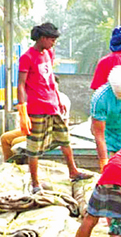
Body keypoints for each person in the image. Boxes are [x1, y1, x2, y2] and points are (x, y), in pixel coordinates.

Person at [17, 22, 91, 192]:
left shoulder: (49, 53)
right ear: (42, 38)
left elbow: (50, 79)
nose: (53, 43)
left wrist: (58, 98)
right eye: (51, 40)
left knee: (65, 139)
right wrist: (23, 111)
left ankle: (73, 171)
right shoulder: (27, 57)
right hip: (37, 108)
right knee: (34, 147)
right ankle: (35, 183)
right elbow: (21, 85)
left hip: (53, 106)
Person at [1, 76, 71, 162]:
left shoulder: (62, 99)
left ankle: (18, 164)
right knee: (5, 138)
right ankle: (7, 164)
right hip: (33, 127)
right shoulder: (40, 96)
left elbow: (61, 121)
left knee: (16, 142)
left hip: (48, 131)